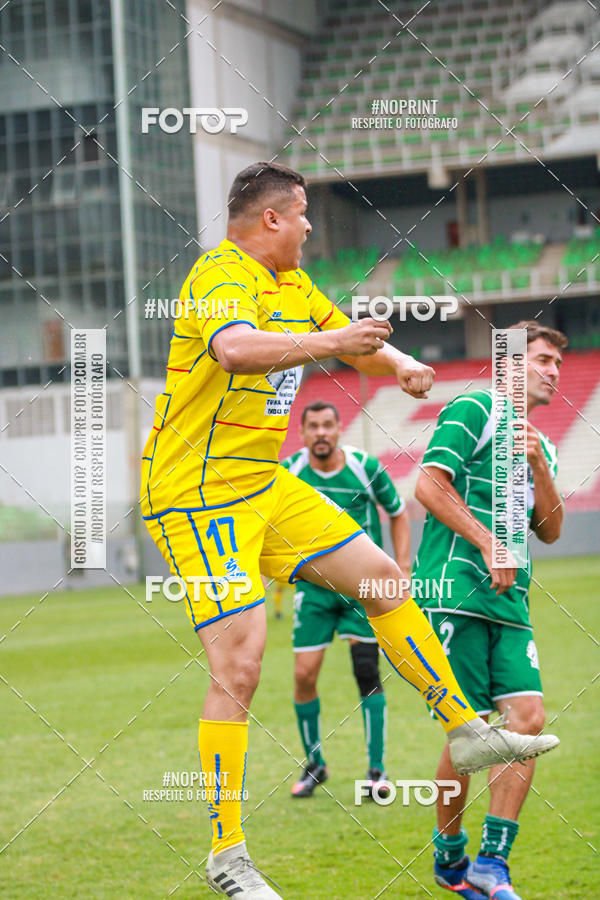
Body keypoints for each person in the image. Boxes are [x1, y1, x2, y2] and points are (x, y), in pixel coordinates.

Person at [140, 162, 559, 899]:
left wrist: (399, 362)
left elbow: (346, 337)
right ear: (271, 219)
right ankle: (227, 854)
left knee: (384, 581)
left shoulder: (290, 285)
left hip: (263, 485)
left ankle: (464, 727)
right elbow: (237, 349)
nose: (308, 227)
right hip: (196, 493)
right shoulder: (220, 276)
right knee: (240, 663)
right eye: (302, 215)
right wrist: (328, 342)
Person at [413, 321, 567, 900]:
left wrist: (541, 467)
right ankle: (449, 850)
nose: (553, 370)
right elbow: (427, 485)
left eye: (556, 362)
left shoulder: (540, 442)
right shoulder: (474, 406)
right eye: (543, 359)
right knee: (473, 736)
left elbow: (549, 532)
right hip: (454, 589)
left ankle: (490, 864)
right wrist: (486, 539)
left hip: (512, 603)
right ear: (510, 363)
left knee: (527, 721)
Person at [282, 400, 411, 799]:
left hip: (362, 591)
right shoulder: (289, 473)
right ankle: (315, 764)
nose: (321, 433)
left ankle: (376, 772)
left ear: (339, 429)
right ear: (302, 434)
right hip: (314, 589)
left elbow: (398, 512)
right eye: (313, 427)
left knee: (366, 671)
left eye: (328, 425)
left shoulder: (365, 468)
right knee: (304, 675)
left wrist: (402, 570)